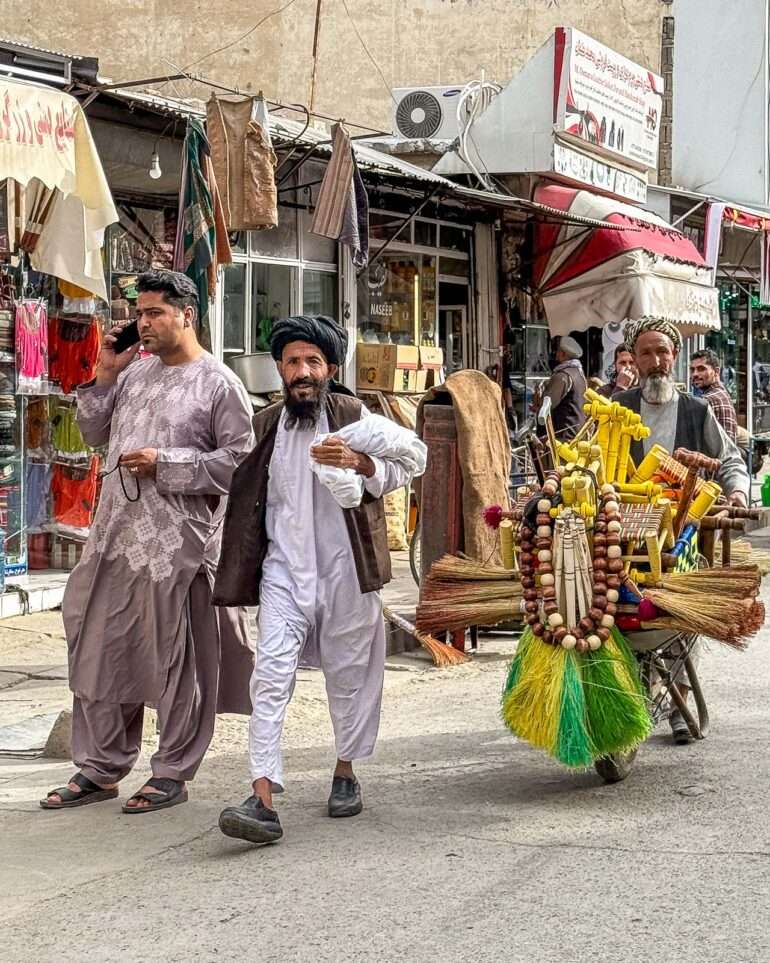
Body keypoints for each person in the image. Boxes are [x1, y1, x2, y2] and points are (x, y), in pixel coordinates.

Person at [41, 270, 255, 813]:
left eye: (155, 312)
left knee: (176, 661)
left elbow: (241, 465)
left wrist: (169, 464)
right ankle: (100, 768)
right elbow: (93, 435)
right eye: (140, 313)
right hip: (114, 538)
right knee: (99, 649)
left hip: (176, 547)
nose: (144, 323)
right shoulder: (134, 375)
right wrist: (107, 375)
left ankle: (172, 772)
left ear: (188, 314)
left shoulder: (218, 383)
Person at [214, 315, 425, 845]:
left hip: (347, 569)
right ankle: (261, 797)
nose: (302, 371)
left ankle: (345, 771)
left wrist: (358, 462)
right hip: (284, 571)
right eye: (292, 362)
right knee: (270, 678)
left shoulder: (355, 414)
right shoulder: (267, 425)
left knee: (352, 675)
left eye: (313, 362)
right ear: (280, 369)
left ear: (331, 367)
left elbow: (402, 467)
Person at [616, 317, 750, 744]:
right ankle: (629, 694)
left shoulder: (697, 410)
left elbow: (729, 460)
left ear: (673, 357)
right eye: (646, 353)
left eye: (663, 353)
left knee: (677, 611)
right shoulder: (617, 407)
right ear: (633, 359)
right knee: (618, 610)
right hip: (625, 530)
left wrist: (738, 494)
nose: (656, 362)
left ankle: (679, 702)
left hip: (683, 531)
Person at [540, 334, 587, 440]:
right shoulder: (579, 373)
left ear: (563, 354)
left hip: (565, 438)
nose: (556, 354)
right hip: (577, 436)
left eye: (558, 351)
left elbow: (548, 404)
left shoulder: (563, 376)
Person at [690, 347, 738, 442]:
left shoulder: (708, 400)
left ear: (716, 371)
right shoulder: (721, 392)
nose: (695, 374)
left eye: (701, 369)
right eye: (692, 370)